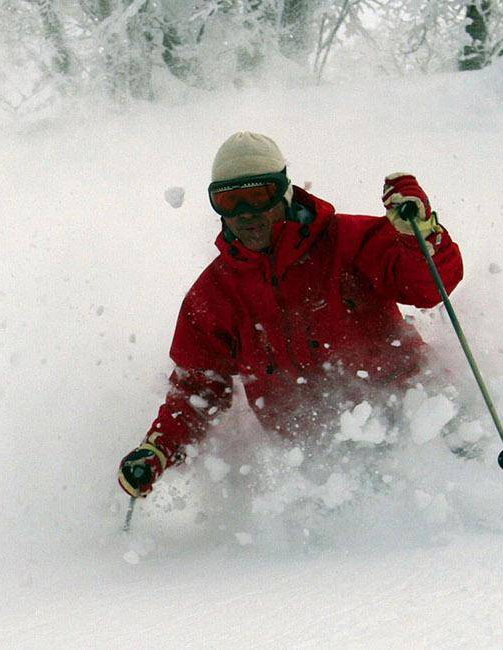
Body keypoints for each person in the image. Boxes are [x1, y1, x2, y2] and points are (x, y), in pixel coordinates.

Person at [119, 132, 465, 498]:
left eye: (258, 195)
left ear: (284, 191)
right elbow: (197, 392)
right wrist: (158, 448)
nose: (246, 214)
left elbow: (429, 287)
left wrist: (419, 235)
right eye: (229, 201)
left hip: (419, 426)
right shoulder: (214, 296)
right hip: (317, 468)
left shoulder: (347, 241)